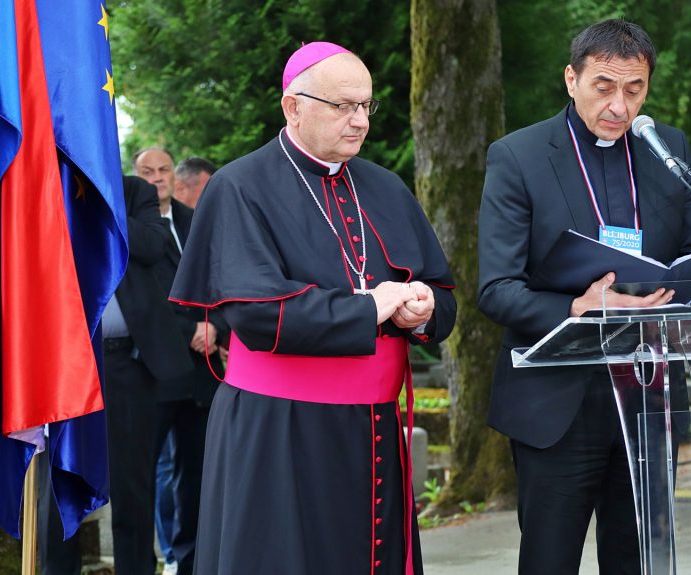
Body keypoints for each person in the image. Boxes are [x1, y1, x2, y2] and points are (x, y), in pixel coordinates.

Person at [170, 42, 456, 574]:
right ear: (293, 107)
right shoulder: (239, 186)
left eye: (366, 105)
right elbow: (255, 313)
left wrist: (424, 310)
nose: (359, 121)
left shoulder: (386, 187)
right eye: (342, 105)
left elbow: (443, 292)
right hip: (278, 428)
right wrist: (368, 308)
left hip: (372, 428)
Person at [478, 20, 691, 574]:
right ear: (571, 79)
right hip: (558, 402)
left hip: (650, 397)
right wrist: (576, 308)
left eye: (635, 89)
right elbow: (496, 289)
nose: (619, 106)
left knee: (639, 561)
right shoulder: (518, 156)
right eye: (604, 87)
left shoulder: (666, 148)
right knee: (550, 560)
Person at [135, 147, 228, 575]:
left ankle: (190, 561)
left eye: (164, 170)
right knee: (145, 472)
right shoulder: (129, 226)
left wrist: (217, 327)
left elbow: (224, 279)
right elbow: (139, 297)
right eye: (147, 171)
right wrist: (188, 329)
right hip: (153, 370)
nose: (157, 177)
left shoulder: (198, 221)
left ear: (175, 176)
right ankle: (155, 558)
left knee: (197, 473)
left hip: (202, 371)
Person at [103, 174, 196, 575]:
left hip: (127, 363)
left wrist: (102, 200)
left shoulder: (134, 192)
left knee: (132, 487)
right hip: (67, 364)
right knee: (57, 490)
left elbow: (151, 246)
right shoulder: (47, 185)